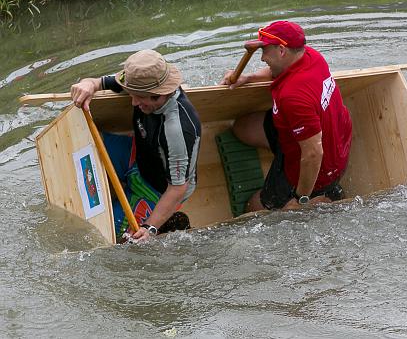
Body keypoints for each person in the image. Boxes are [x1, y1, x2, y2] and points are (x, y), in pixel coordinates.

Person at [71, 49, 201, 241]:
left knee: (100, 234)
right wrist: (88, 84)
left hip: (158, 188)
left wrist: (150, 228)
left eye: (139, 97)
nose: (132, 102)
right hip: (139, 156)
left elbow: (178, 188)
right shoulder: (140, 81)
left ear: (157, 94)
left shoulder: (177, 129)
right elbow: (100, 82)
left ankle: (166, 221)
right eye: (131, 93)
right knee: (82, 145)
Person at [222, 20, 352, 211]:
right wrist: (249, 77)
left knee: (253, 206)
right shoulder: (309, 55)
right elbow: (276, 68)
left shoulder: (293, 96)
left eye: (265, 51)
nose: (262, 58)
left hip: (318, 167)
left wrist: (301, 198)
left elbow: (314, 153)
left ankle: (323, 195)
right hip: (318, 134)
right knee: (242, 127)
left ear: (282, 51)